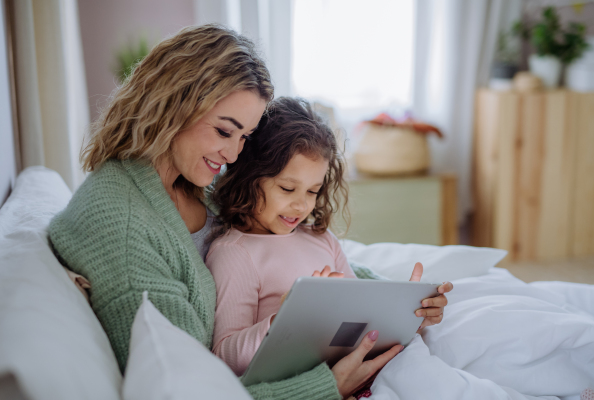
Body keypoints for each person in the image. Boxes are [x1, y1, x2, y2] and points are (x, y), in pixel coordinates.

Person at [48, 25, 450, 400]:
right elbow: (188, 387)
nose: (235, 154)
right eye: (224, 131)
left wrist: (400, 300)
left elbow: (287, 253)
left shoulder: (193, 183)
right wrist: (322, 386)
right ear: (172, 105)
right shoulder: (123, 223)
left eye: (245, 136)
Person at [206, 97, 453, 396]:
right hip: (311, 388)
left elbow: (364, 324)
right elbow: (224, 356)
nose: (301, 205)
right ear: (248, 177)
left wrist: (411, 314)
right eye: (287, 188)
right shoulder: (236, 252)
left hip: (367, 376)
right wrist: (283, 317)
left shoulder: (322, 240)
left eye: (313, 191)